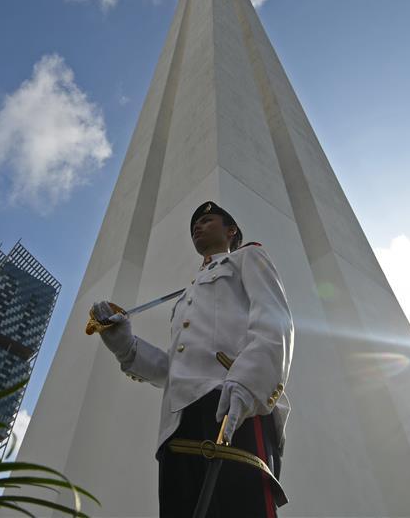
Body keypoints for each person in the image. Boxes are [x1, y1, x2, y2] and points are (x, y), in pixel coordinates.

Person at [91, 201, 294, 518]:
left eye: (208, 220)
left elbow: (274, 320)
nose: (198, 226)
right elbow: (173, 370)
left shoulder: (247, 258)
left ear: (231, 230)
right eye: (195, 224)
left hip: (230, 402)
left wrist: (250, 385)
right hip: (177, 423)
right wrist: (126, 347)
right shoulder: (185, 298)